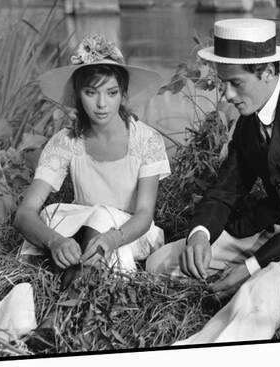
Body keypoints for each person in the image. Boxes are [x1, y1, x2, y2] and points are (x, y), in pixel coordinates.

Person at [146, 18, 280, 344]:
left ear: (268, 72)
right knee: (160, 262)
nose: (227, 95)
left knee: (258, 290)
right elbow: (225, 190)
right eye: (223, 84)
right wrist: (199, 235)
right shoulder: (249, 122)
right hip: (275, 229)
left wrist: (251, 267)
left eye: (235, 83)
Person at [14, 35, 170, 275]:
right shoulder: (65, 142)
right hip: (83, 225)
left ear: (123, 94)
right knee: (53, 218)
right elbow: (25, 213)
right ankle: (79, 285)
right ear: (78, 96)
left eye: (111, 92)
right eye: (90, 92)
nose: (101, 104)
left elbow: (144, 215)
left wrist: (111, 240)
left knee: (99, 218)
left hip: (129, 233)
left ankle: (79, 292)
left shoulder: (146, 140)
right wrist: (55, 241)